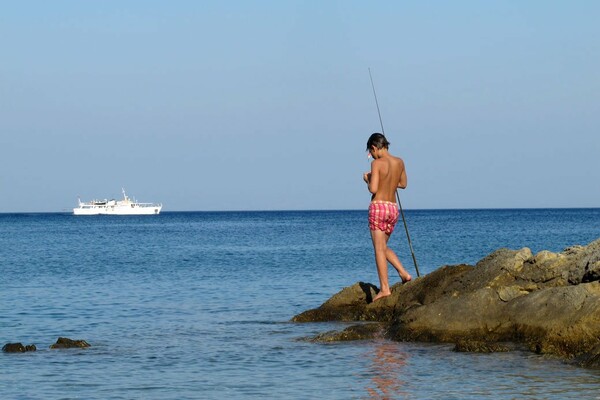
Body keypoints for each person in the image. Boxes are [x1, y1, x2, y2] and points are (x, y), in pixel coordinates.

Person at [363, 133, 412, 302]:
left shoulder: (376, 163)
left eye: (371, 151)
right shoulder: (399, 162)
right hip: (392, 208)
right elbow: (403, 184)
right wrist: (388, 182)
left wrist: (368, 179)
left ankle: (385, 288)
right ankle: (404, 273)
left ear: (375, 147)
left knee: (378, 248)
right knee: (382, 246)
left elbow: (373, 189)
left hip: (379, 207)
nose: (372, 155)